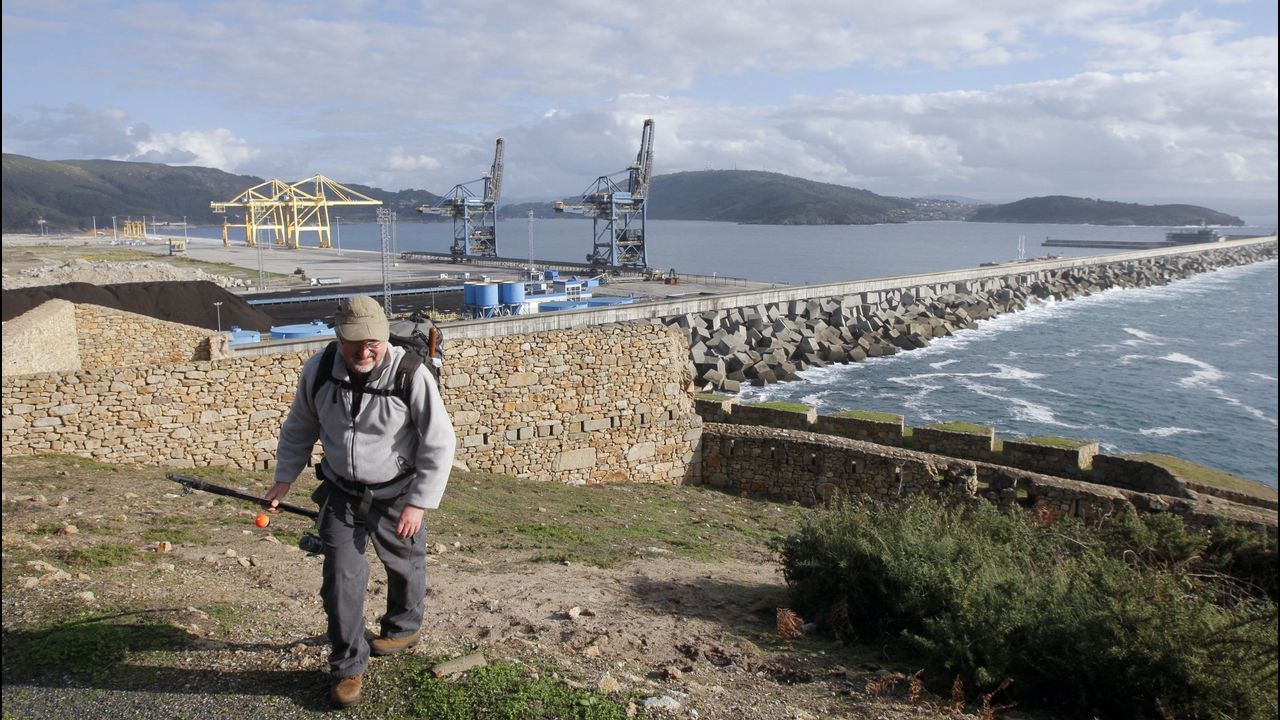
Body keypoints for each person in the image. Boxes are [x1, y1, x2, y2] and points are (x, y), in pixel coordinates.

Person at [266, 295, 455, 708]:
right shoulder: (319, 370)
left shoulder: (410, 373)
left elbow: (439, 442)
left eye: (373, 341)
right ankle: (348, 667)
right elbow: (300, 426)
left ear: (384, 337)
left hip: (398, 491)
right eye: (355, 342)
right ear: (338, 337)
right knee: (341, 577)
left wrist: (418, 503)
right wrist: (284, 479)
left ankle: (404, 626)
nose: (365, 350)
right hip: (340, 492)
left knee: (405, 562)